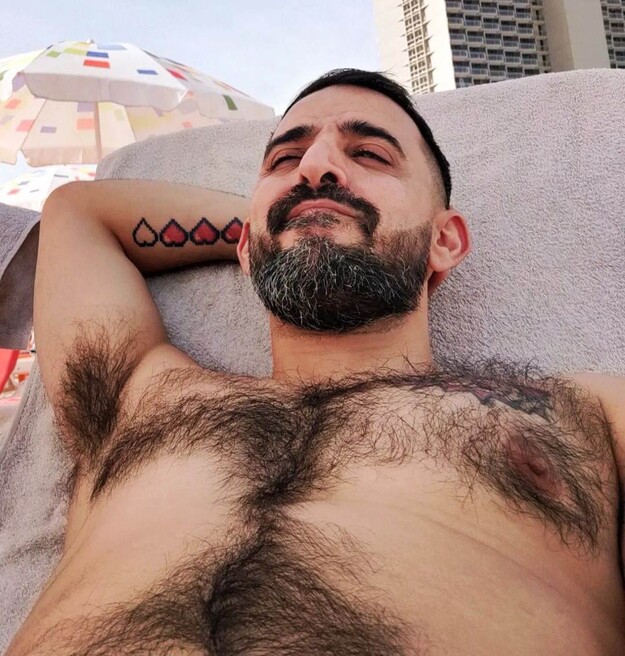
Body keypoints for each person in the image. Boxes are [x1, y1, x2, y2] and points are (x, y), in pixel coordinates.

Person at [7, 69, 625, 655]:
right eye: (285, 160)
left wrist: (311, 209)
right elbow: (78, 213)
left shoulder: (586, 419)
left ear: (444, 240)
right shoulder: (140, 397)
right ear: (244, 247)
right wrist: (281, 222)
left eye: (370, 154)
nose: (314, 165)